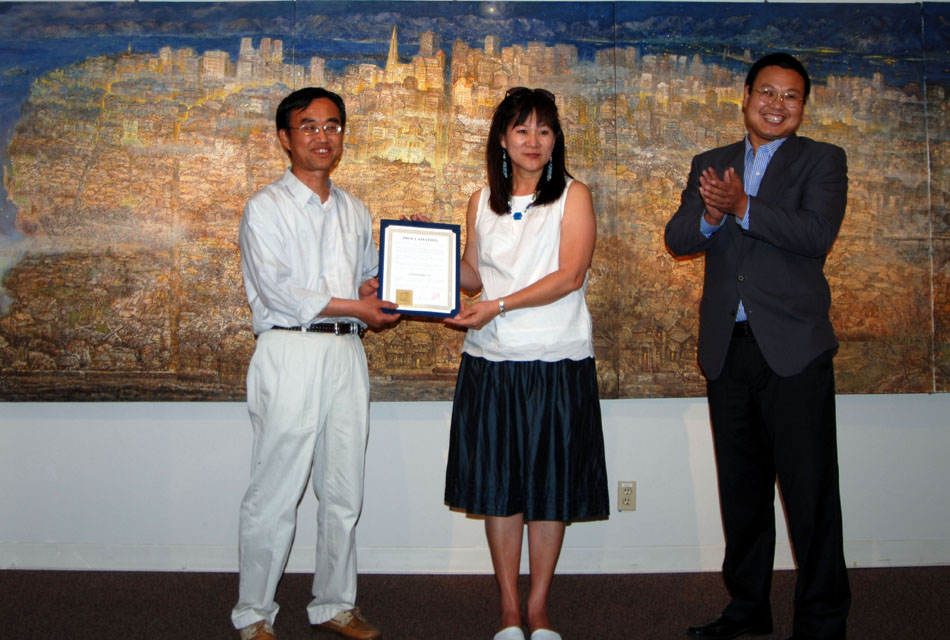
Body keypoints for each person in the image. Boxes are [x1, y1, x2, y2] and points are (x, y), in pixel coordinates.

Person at [665, 53, 850, 639]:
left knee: (809, 494)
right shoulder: (711, 162)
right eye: (766, 92)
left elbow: (816, 234)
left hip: (794, 351)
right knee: (741, 494)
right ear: (745, 96)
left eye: (790, 96)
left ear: (802, 106)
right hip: (730, 350)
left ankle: (821, 623)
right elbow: (678, 237)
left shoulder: (823, 160)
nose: (776, 104)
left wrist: (742, 207)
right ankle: (747, 611)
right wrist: (714, 218)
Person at [231, 87, 400, 640]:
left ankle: (334, 604)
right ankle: (254, 613)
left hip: (345, 353)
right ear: (285, 138)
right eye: (309, 126)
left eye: (332, 126)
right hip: (289, 351)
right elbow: (281, 293)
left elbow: (366, 282)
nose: (323, 136)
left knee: (342, 489)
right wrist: (358, 304)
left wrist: (406, 264)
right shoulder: (264, 208)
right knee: (276, 490)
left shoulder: (355, 210)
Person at [443, 87, 609, 640]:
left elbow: (570, 275)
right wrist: (428, 254)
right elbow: (473, 274)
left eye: (544, 130)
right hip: (491, 361)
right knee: (500, 486)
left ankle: (539, 607)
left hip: (554, 360)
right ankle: (509, 608)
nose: (533, 141)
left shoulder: (573, 197)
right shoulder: (480, 201)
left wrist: (499, 305)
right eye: (521, 130)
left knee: (549, 489)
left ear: (556, 138)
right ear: (502, 139)